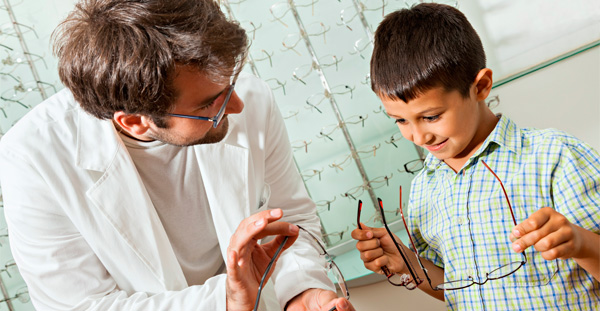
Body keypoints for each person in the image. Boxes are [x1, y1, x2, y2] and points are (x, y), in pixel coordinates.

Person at [0, 0, 355, 310]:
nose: (237, 105)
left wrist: (302, 291)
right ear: (136, 122)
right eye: (210, 107)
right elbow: (82, 307)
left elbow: (293, 221)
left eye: (229, 83)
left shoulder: (244, 97)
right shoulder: (33, 161)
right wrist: (228, 300)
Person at [352, 3, 600, 310]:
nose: (418, 137)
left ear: (480, 86)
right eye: (401, 121)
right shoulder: (423, 192)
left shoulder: (555, 158)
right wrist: (410, 265)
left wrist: (581, 243)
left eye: (431, 116)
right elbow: (455, 287)